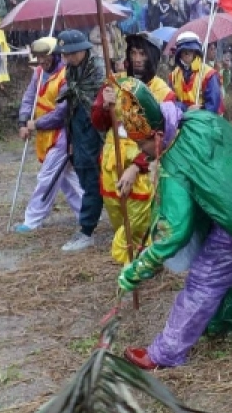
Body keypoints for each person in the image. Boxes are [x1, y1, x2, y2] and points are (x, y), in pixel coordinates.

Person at [115, 82, 232, 370]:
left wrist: (139, 267)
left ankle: (165, 353)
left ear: (157, 136)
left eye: (141, 144)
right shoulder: (197, 119)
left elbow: (175, 231)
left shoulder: (175, 161)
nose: (140, 151)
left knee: (203, 281)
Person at [91, 32, 176, 263]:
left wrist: (137, 167)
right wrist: (103, 105)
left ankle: (140, 263)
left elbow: (164, 137)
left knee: (138, 219)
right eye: (134, 53)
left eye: (142, 54)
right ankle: (137, 260)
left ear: (152, 57)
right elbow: (99, 123)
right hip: (112, 162)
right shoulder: (114, 82)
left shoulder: (162, 92)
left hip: (142, 165)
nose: (137, 59)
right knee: (119, 217)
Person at [13, 38, 83, 233]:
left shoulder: (66, 76)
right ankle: (87, 213)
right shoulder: (38, 73)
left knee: (47, 177)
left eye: (46, 56)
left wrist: (36, 124)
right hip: (45, 135)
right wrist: (23, 122)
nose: (42, 61)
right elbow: (29, 98)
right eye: (39, 57)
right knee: (67, 178)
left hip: (63, 134)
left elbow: (62, 112)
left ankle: (32, 219)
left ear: (55, 54)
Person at [55, 29, 107, 252]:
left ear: (80, 51)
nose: (65, 58)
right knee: (85, 176)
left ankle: (86, 229)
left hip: (96, 131)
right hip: (78, 128)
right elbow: (72, 103)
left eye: (69, 54)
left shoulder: (97, 71)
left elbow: (98, 103)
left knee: (94, 178)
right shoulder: (72, 71)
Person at [169, 31, 224, 114]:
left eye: (190, 50)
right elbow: (170, 102)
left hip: (203, 121)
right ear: (179, 53)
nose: (187, 53)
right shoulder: (174, 75)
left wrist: (201, 109)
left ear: (196, 52)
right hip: (180, 119)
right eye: (183, 50)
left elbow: (213, 104)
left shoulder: (208, 74)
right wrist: (186, 109)